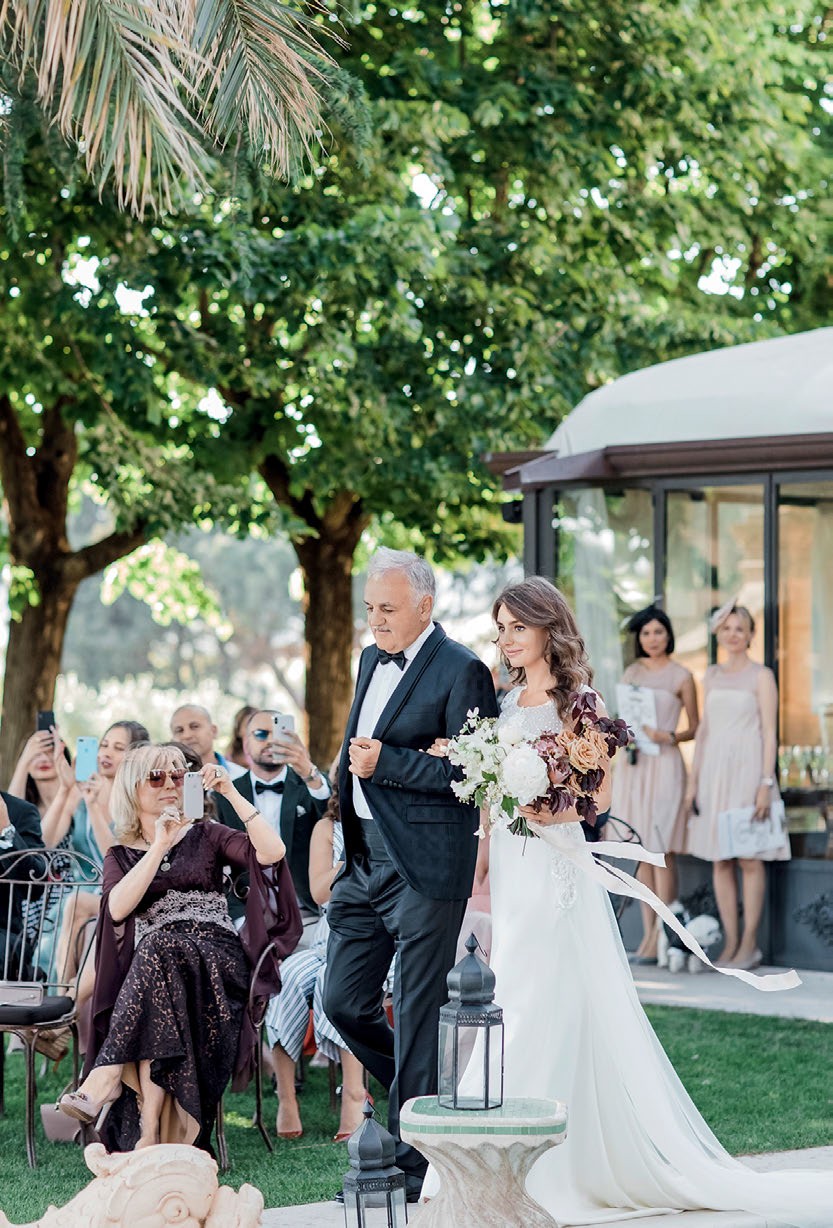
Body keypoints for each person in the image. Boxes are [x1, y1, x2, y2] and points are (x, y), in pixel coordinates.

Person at [425, 576, 829, 1226]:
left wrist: (551, 809)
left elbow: (600, 797)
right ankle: (491, 1159)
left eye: (517, 627)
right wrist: (484, 854)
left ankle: (549, 1166)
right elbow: (491, 792)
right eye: (500, 629)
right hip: (513, 864)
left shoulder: (580, 702)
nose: (506, 640)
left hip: (555, 864)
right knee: (512, 988)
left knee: (547, 993)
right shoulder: (505, 699)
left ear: (547, 628)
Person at [321, 547, 498, 1201]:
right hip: (362, 860)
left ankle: (410, 1166)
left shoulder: (463, 669)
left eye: (388, 609)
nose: (376, 620)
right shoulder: (370, 659)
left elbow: (473, 775)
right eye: (370, 608)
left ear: (424, 606)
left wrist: (389, 764)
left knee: (421, 1012)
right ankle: (419, 1094)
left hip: (425, 863)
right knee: (341, 1001)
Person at [58, 744, 301, 1152]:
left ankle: (107, 1076)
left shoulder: (207, 833)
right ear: (132, 789)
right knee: (159, 965)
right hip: (163, 974)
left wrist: (230, 793)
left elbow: (272, 853)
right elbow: (116, 908)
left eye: (177, 775)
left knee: (156, 950)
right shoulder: (121, 854)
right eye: (157, 778)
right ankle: (149, 1131)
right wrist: (159, 844)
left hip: (217, 963)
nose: (170, 785)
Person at [264, 772, 367, 1142]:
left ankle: (354, 1093)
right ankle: (286, 1096)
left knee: (335, 980)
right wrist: (355, 857)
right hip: (329, 935)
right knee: (287, 978)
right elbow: (321, 893)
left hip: (378, 937)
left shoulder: (394, 822)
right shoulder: (327, 828)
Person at [685, 602, 788, 969]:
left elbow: (770, 733)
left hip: (748, 772)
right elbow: (704, 732)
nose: (732, 634)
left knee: (749, 857)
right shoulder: (711, 675)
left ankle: (750, 944)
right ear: (719, 634)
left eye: (740, 628)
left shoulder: (762, 676)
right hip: (714, 774)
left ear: (750, 635)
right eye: (727, 628)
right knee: (721, 859)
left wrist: (765, 783)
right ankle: (730, 943)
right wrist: (693, 783)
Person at [610, 606, 698, 963]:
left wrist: (670, 736)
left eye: (658, 632)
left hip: (665, 764)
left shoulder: (682, 675)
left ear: (669, 635)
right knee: (641, 849)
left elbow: (695, 727)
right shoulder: (632, 672)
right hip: (636, 764)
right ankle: (648, 935)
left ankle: (666, 933)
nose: (652, 639)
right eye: (646, 633)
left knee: (661, 849)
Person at [213, 709, 330, 942]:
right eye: (261, 734)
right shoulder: (225, 794)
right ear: (246, 744)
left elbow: (331, 815)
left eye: (278, 734)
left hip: (306, 911)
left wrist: (308, 771)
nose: (270, 741)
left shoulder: (311, 785)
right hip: (246, 909)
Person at [169, 704, 246, 780]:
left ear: (214, 731)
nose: (187, 735)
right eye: (179, 730)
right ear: (172, 740)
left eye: (195, 726)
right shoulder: (167, 781)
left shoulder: (242, 777)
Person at [226, 704, 257, 769]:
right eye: (248, 726)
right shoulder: (229, 759)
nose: (253, 730)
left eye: (256, 725)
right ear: (238, 731)